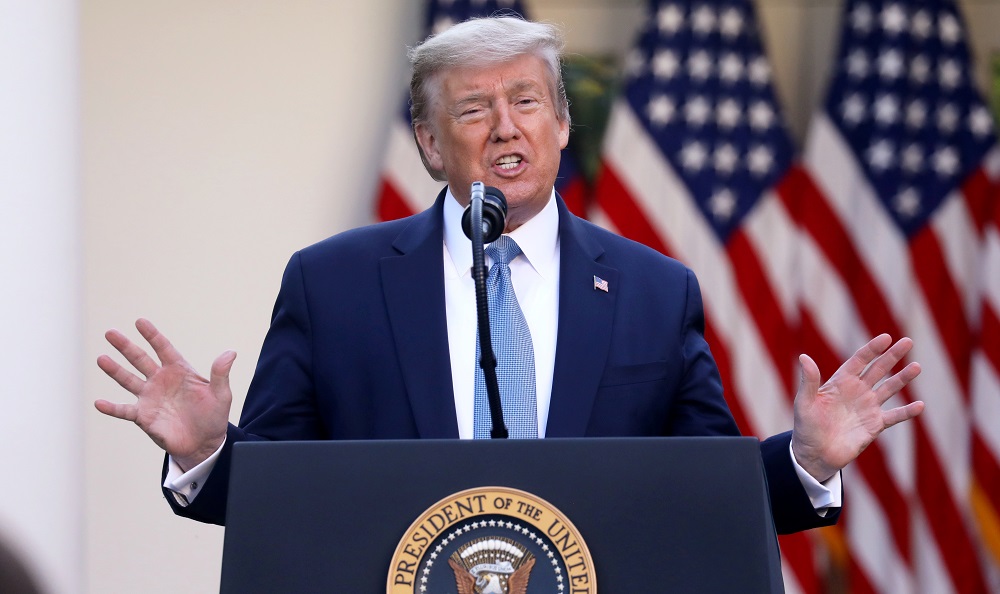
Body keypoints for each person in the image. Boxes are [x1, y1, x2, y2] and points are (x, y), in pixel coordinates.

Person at [95, 17, 923, 530]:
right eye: (471, 109)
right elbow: (279, 502)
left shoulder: (651, 291)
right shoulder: (333, 286)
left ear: (562, 124)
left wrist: (808, 462)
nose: (505, 128)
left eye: (527, 101)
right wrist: (209, 454)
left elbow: (703, 495)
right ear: (428, 144)